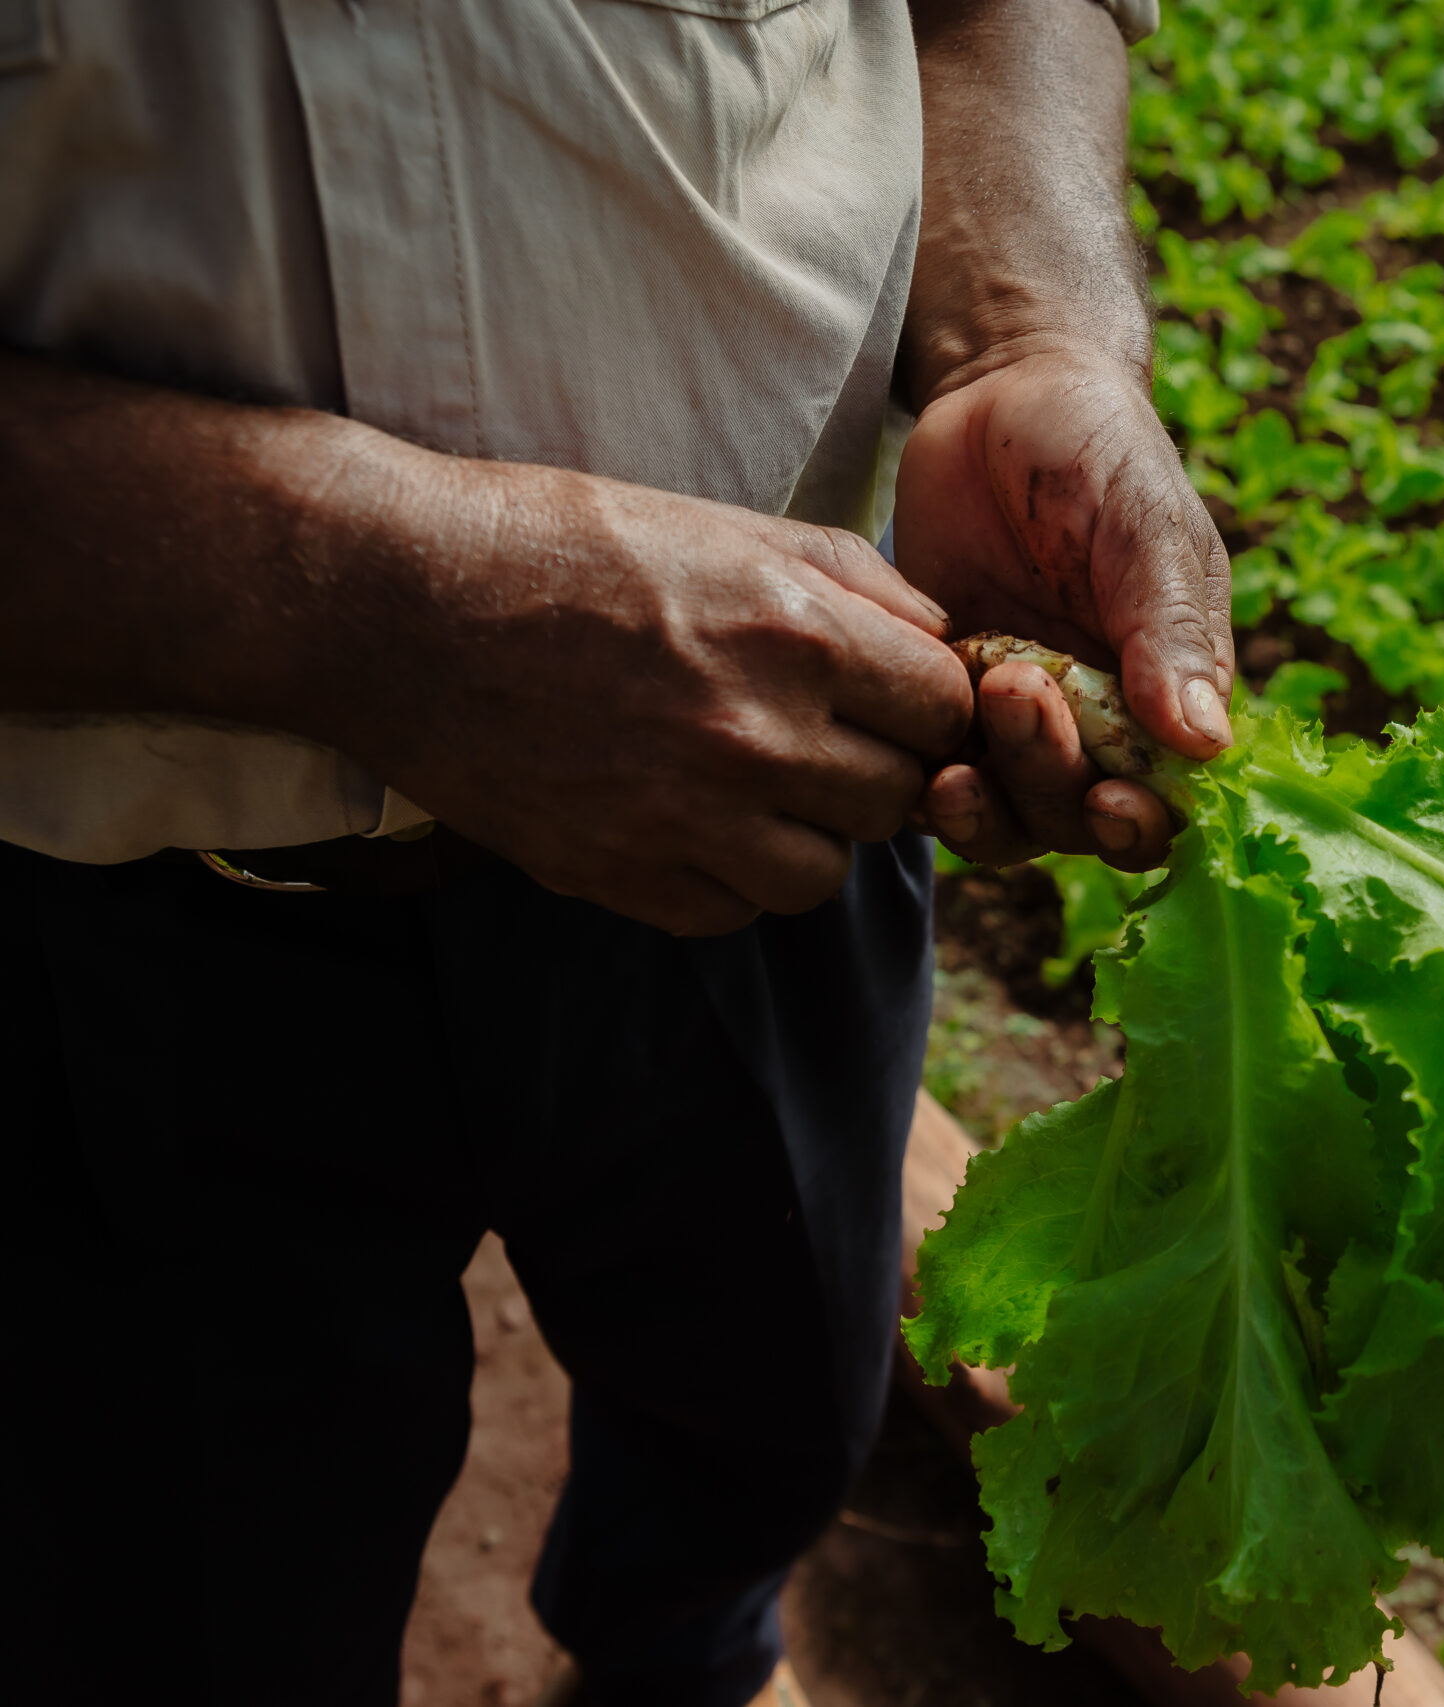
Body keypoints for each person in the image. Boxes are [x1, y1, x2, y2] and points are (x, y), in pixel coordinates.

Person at [0, 2, 1232, 1702]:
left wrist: (1035, 341)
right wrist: (372, 615)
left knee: (777, 1395)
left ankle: (686, 1655)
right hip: (96, 901)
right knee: (179, 1589)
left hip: (783, 793)